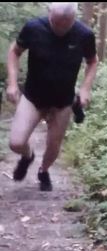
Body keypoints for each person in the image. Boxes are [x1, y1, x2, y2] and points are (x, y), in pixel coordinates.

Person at [6, 2, 98, 191]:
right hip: (33, 97)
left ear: (74, 18)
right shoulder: (33, 28)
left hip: (62, 101)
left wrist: (85, 88)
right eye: (56, 23)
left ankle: (43, 170)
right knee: (16, 143)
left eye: (66, 24)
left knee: (53, 145)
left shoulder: (84, 35)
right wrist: (13, 83)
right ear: (49, 14)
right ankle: (28, 156)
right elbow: (14, 52)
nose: (61, 29)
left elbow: (92, 61)